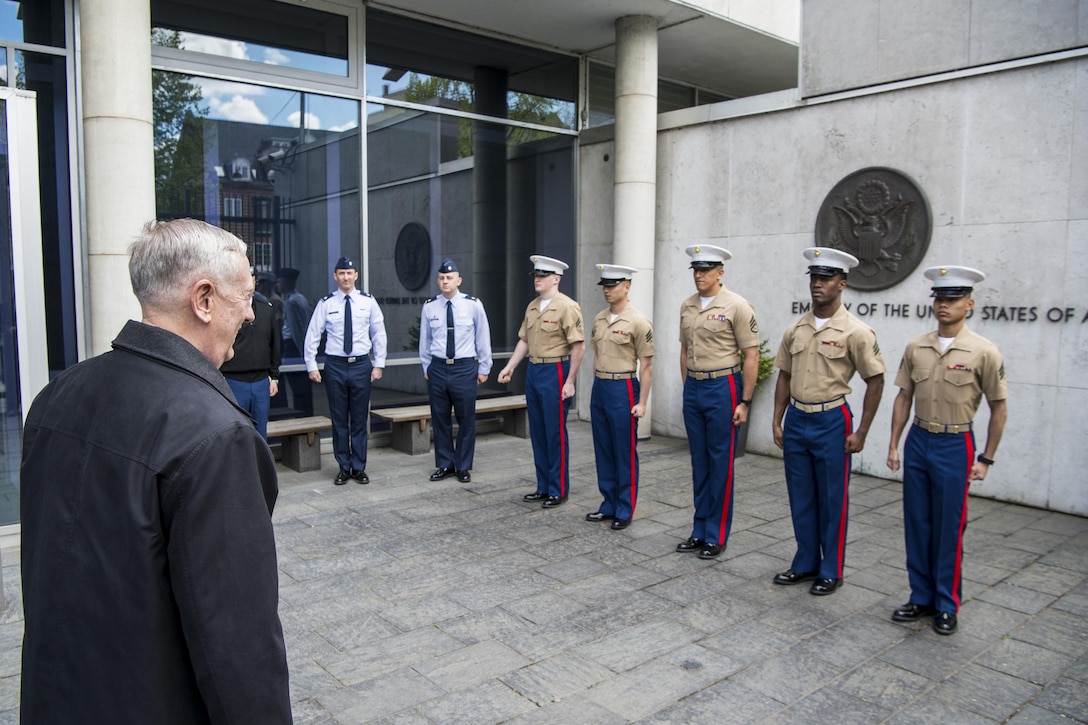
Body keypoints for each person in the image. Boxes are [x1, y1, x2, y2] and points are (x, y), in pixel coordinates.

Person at [19, 219, 291, 723]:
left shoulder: (57, 394)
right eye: (245, 296)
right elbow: (237, 646)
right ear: (204, 299)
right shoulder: (217, 435)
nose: (251, 313)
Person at [886, 265, 1007, 635]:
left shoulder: (984, 351)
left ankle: (946, 602)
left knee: (949, 526)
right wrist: (894, 443)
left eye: (953, 299)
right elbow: (903, 397)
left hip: (956, 442)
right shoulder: (916, 347)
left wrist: (986, 458)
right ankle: (920, 596)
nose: (944, 305)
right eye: (939, 298)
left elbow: (998, 407)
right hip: (920, 439)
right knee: (917, 521)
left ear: (969, 304)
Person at [771, 247, 885, 595]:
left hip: (832, 419)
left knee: (832, 499)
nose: (818, 284)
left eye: (826, 278)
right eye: (814, 278)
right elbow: (785, 377)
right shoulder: (796, 328)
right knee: (801, 495)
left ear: (842, 284)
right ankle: (806, 561)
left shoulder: (856, 331)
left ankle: (831, 569)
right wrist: (777, 420)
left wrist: (862, 430)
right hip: (798, 419)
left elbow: (875, 380)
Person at [676, 244, 758, 559]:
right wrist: (687, 387)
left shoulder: (737, 306)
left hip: (723, 386)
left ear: (720, 272)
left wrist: (745, 401)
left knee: (720, 462)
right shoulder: (687, 306)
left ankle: (716, 533)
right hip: (695, 387)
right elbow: (683, 350)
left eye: (707, 270)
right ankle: (699, 529)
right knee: (699, 462)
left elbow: (751, 355)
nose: (700, 275)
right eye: (696, 269)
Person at [497, 254, 585, 508]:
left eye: (543, 275)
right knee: (537, 431)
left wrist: (570, 381)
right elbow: (524, 340)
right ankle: (543, 485)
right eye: (536, 275)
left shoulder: (567, 307)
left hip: (556, 370)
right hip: (535, 370)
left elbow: (578, 346)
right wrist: (511, 366)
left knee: (554, 432)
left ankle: (558, 489)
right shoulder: (533, 306)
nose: (537, 279)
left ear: (556, 279)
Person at [305, 256, 387, 485]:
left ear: (356, 275)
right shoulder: (326, 303)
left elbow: (378, 334)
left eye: (349, 273)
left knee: (359, 419)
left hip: (361, 364)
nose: (346, 277)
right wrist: (312, 365)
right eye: (341, 273)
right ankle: (343, 467)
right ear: (335, 276)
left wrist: (379, 363)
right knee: (339, 419)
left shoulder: (368, 302)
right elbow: (313, 334)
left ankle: (359, 467)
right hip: (335, 366)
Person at [585, 264, 654, 530]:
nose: (607, 290)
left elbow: (647, 365)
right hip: (601, 387)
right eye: (604, 286)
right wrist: (595, 387)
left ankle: (624, 508)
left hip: (624, 387)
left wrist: (642, 402)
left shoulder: (638, 321)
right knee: (603, 449)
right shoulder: (600, 318)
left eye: (612, 285)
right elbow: (597, 356)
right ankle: (608, 503)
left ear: (627, 286)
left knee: (623, 451)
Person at [419, 258, 493, 483]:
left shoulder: (472, 305)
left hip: (463, 368)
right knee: (439, 418)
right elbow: (425, 340)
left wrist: (484, 367)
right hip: (439, 368)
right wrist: (427, 366)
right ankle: (444, 464)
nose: (445, 281)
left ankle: (462, 465)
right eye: (441, 278)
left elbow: (483, 338)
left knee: (466, 419)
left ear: (458, 280)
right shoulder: (430, 306)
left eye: (449, 278)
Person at [221, 267, 282, 440]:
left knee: (260, 433)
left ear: (254, 281)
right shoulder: (227, 310)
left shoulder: (266, 310)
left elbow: (274, 344)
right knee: (236, 433)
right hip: (234, 381)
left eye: (251, 277)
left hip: (261, 382)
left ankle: (259, 468)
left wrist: (274, 376)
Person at [277, 265, 313, 415]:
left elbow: (297, 329)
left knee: (299, 388)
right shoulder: (299, 299)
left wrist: (302, 353)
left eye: (280, 281)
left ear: (288, 282)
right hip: (297, 347)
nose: (278, 285)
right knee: (302, 388)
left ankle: (303, 415)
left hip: (293, 347)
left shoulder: (291, 302)